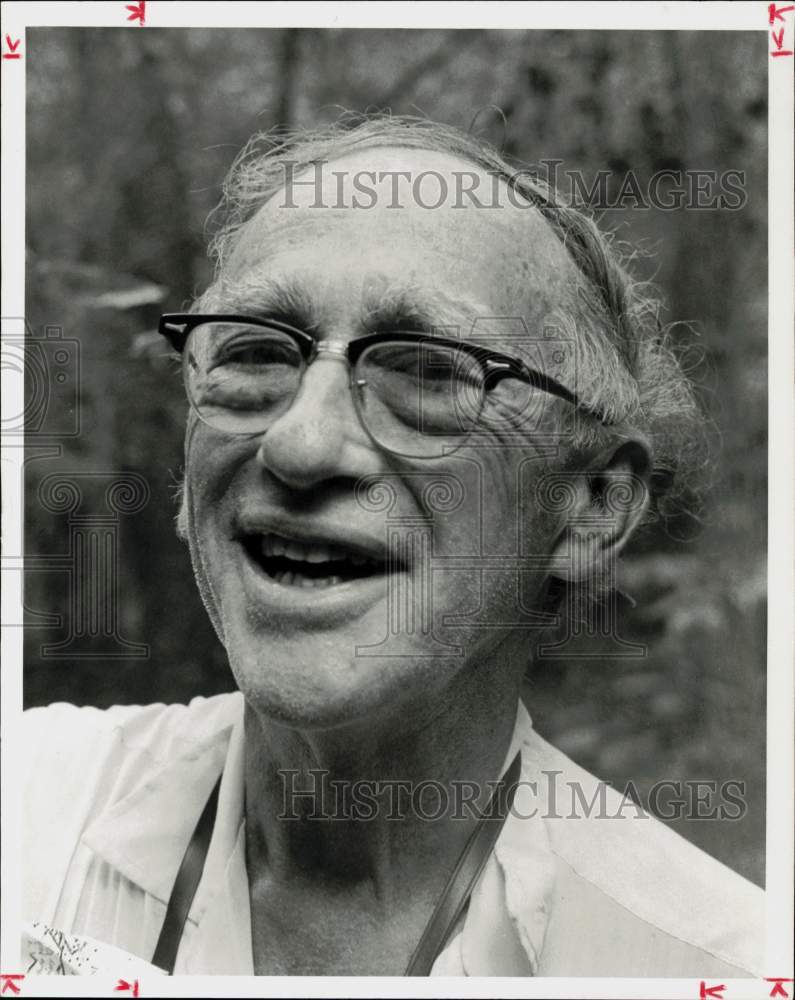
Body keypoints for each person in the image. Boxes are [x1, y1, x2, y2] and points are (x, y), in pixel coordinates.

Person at [22, 115, 763, 977]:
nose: (298, 446)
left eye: (427, 371)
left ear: (590, 504)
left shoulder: (706, 966)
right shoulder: (30, 812)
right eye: (257, 353)